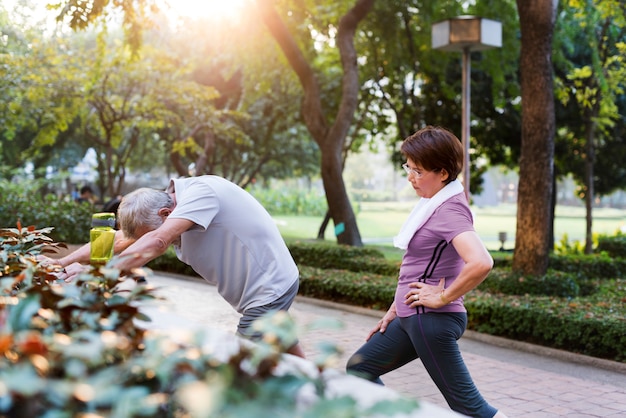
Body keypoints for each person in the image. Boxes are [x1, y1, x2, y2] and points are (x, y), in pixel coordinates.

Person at [345, 126, 507, 418]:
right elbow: (419, 266)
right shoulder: (432, 204)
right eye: (409, 168)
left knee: (470, 408)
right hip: (411, 317)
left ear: (443, 173)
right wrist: (394, 308)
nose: (410, 177)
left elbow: (482, 262)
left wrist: (442, 296)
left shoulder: (449, 210)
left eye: (418, 171)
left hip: (430, 321)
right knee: (360, 368)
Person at [48, 175, 305, 358]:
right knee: (290, 353)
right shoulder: (168, 204)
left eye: (146, 234)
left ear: (164, 215)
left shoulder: (201, 193)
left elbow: (158, 240)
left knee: (240, 371)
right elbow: (118, 240)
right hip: (265, 287)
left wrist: (97, 274)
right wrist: (63, 262)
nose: (144, 240)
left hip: (268, 288)